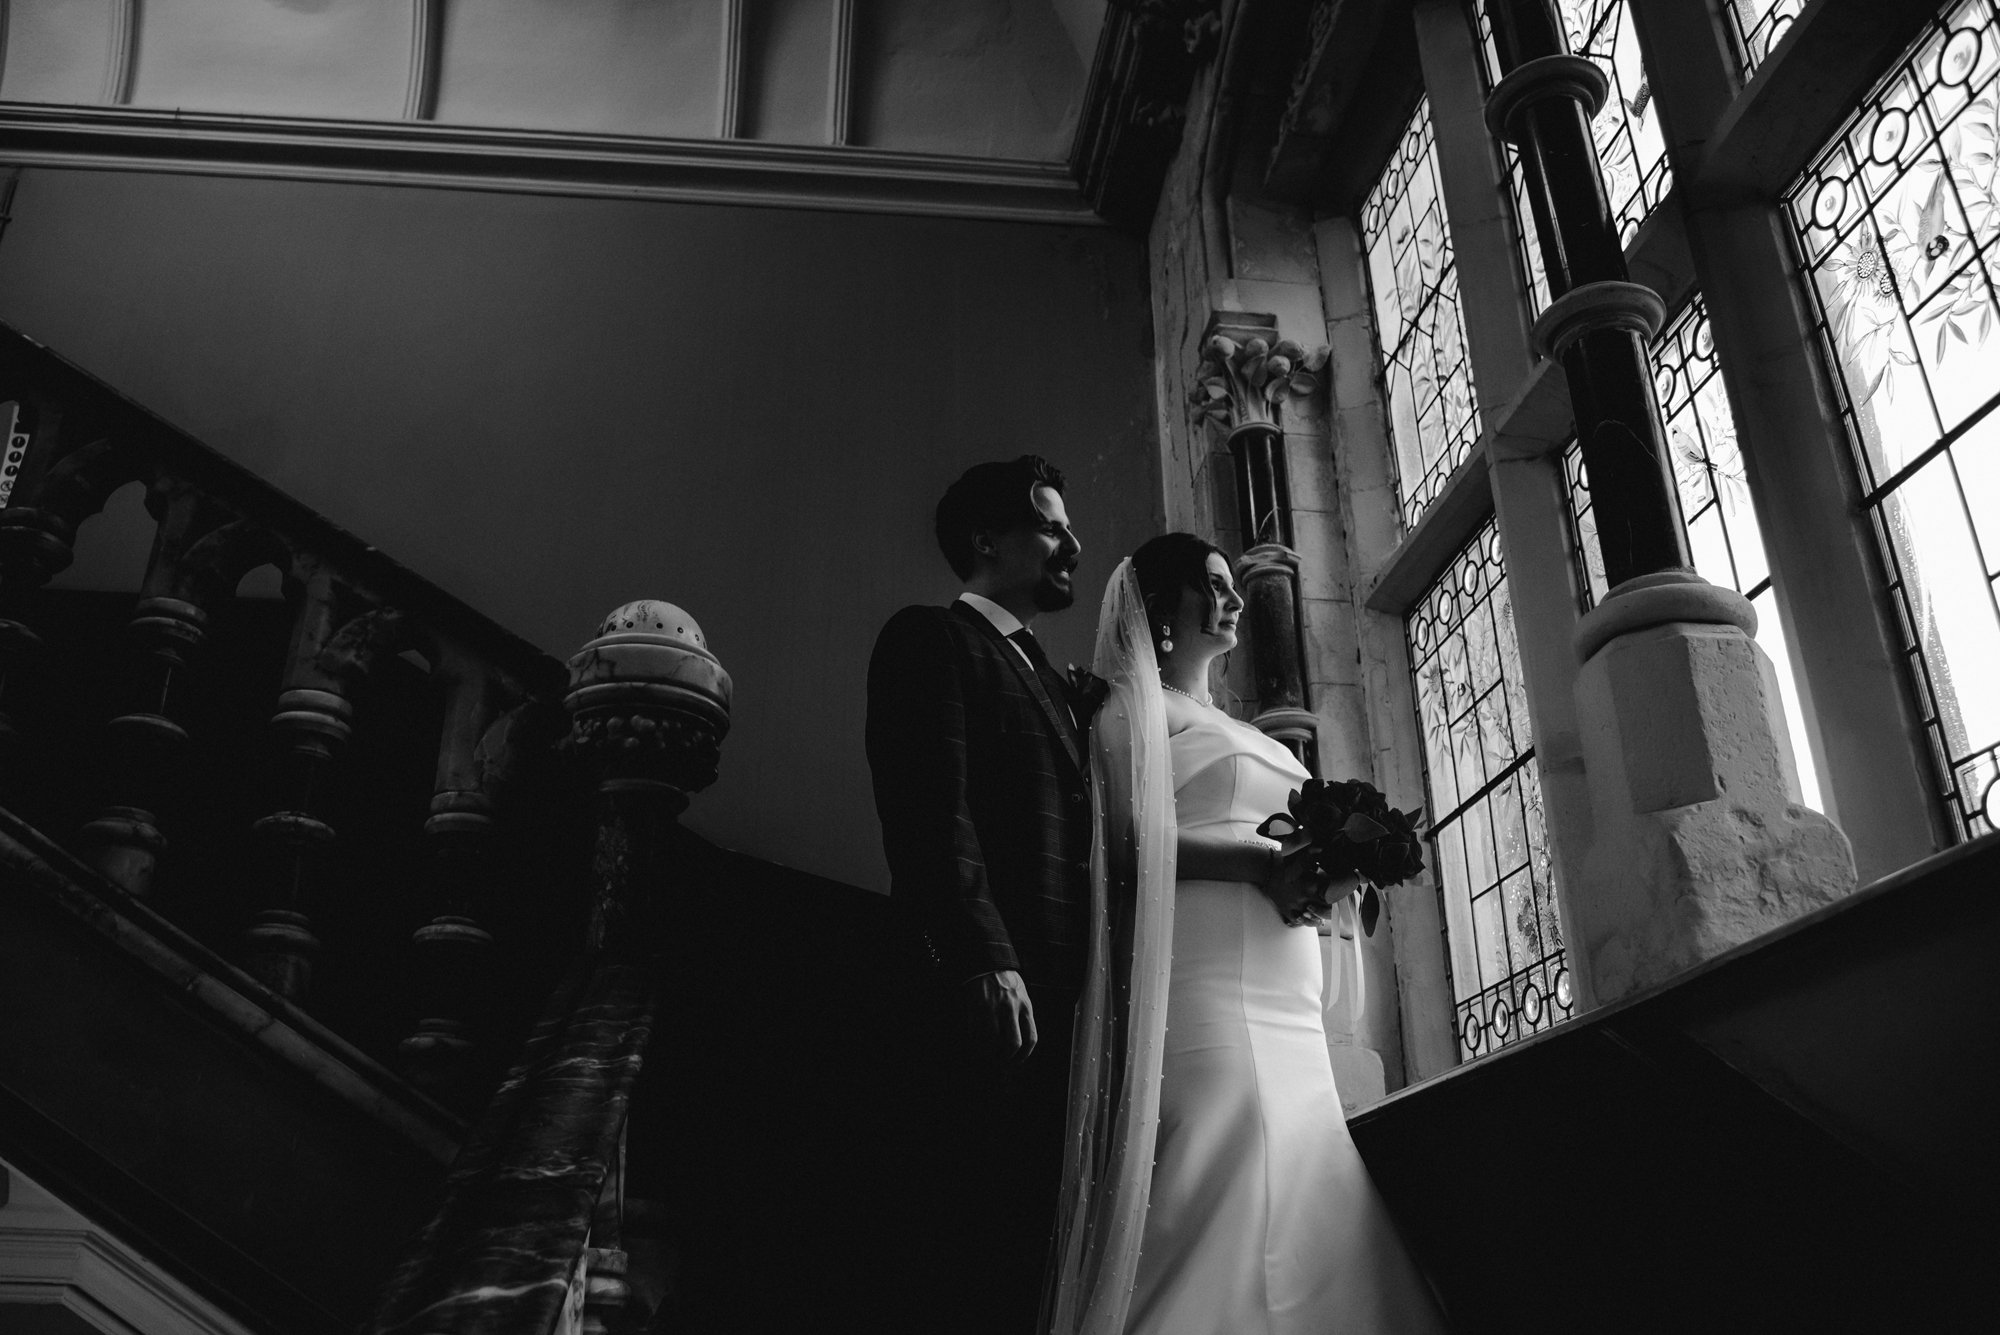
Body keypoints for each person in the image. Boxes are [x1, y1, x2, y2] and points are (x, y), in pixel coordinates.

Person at [1044, 533, 1449, 1335]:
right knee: (1217, 1171)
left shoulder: (1254, 731)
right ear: (1163, 611)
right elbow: (1122, 840)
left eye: (1233, 586)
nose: (1233, 602)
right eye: (1214, 586)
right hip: (1208, 989)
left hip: (1288, 1003)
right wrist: (1260, 866)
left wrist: (1334, 873)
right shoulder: (1132, 710)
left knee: (1308, 1185)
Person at [866, 455, 1095, 1335]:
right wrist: (985, 958)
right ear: (986, 540)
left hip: (1068, 999)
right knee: (969, 1246)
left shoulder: (1049, 677)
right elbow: (930, 813)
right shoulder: (931, 637)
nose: (1071, 541)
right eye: (1049, 525)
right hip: (987, 1000)